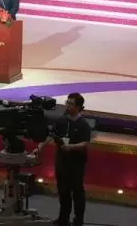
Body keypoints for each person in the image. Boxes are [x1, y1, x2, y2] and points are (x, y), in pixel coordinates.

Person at [36, 93, 92, 226]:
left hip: (76, 163)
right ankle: (63, 219)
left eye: (71, 104)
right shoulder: (62, 120)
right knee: (63, 191)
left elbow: (85, 143)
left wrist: (71, 147)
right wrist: (40, 146)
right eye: (67, 102)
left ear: (78, 107)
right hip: (62, 162)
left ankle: (78, 220)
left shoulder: (84, 125)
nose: (68, 105)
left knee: (77, 192)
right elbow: (51, 135)